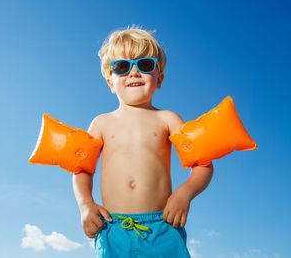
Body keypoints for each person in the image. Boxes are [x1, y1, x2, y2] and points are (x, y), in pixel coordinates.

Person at [72, 27, 214, 257]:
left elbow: (203, 164)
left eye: (145, 65)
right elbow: (81, 170)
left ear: (159, 78)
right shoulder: (101, 123)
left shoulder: (168, 119)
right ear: (110, 80)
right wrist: (85, 204)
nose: (134, 72)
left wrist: (184, 193)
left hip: (162, 227)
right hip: (112, 228)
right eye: (122, 66)